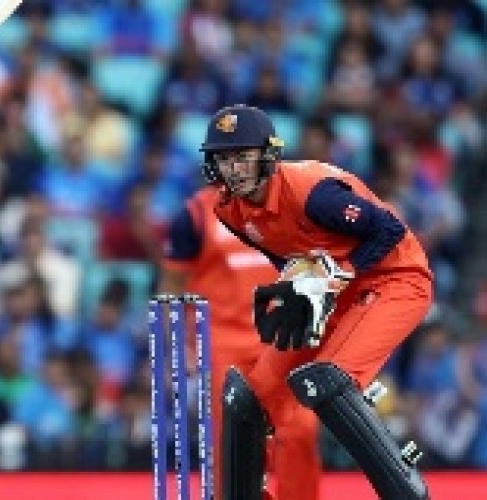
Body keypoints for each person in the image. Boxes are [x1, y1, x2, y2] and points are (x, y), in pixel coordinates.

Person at [199, 105, 432, 499]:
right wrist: (301, 283)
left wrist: (338, 274)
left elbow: (389, 229)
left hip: (395, 281)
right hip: (334, 292)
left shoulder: (314, 194)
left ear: (268, 156)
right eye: (224, 159)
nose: (233, 169)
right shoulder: (228, 210)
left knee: (328, 383)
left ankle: (408, 493)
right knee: (247, 399)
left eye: (243, 157)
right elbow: (285, 252)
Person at [159, 184, 321, 500]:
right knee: (231, 441)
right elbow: (171, 287)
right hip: (221, 342)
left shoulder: (290, 206)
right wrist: (177, 347)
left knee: (300, 430)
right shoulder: (195, 215)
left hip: (282, 339)